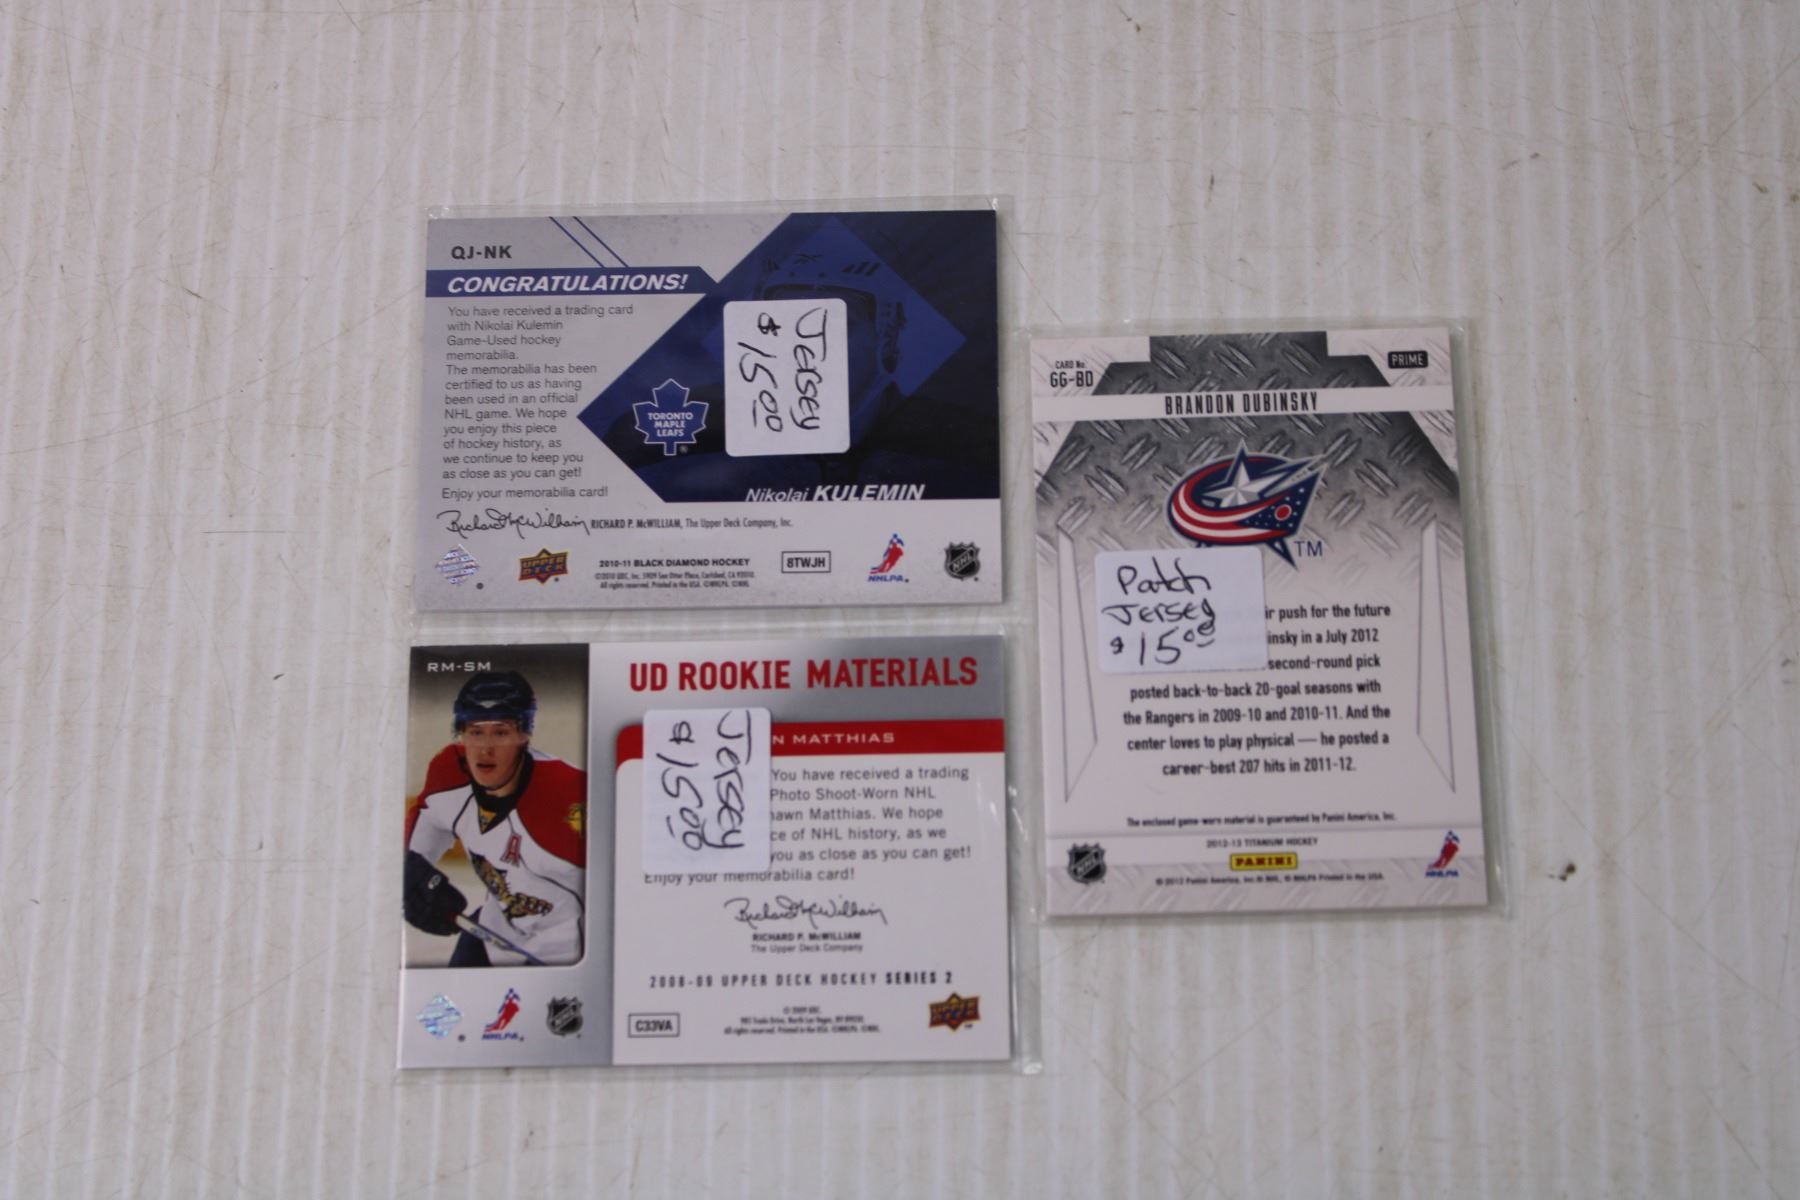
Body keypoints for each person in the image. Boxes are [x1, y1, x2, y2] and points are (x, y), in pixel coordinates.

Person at [404, 671, 586, 966]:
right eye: (475, 731)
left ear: (524, 735)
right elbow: (415, 848)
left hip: (571, 953)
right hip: (495, 933)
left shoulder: (571, 796)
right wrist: (410, 878)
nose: (485, 748)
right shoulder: (449, 775)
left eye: (500, 732)